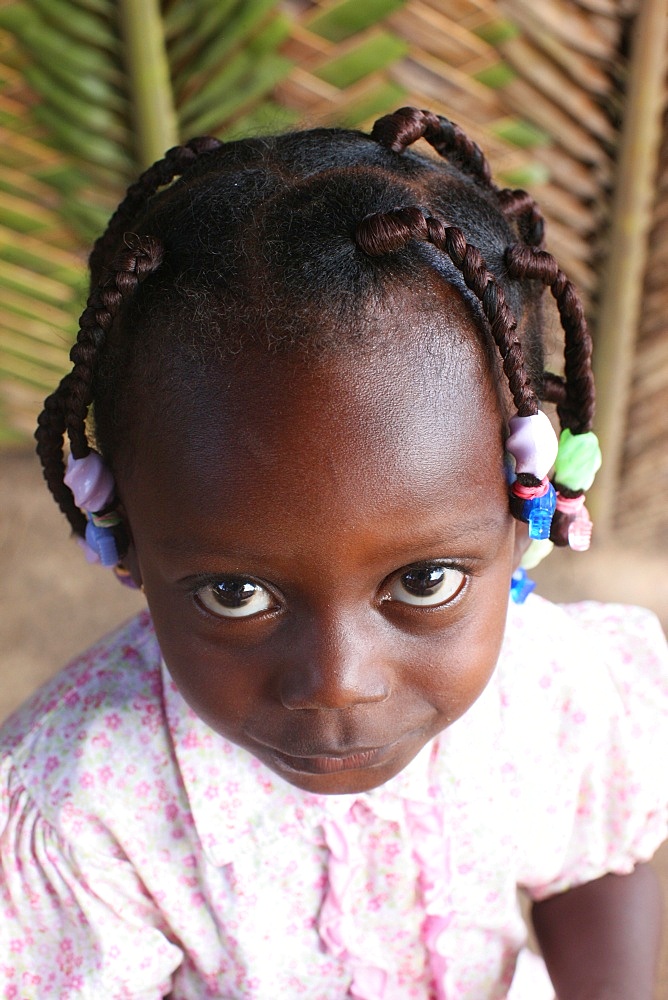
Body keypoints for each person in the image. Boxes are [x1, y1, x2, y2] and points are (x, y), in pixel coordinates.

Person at [1, 106, 666, 1000]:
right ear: (121, 533)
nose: (337, 680)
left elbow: (599, 856)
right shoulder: (82, 810)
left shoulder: (557, 693)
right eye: (235, 593)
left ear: (526, 513)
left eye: (424, 581)